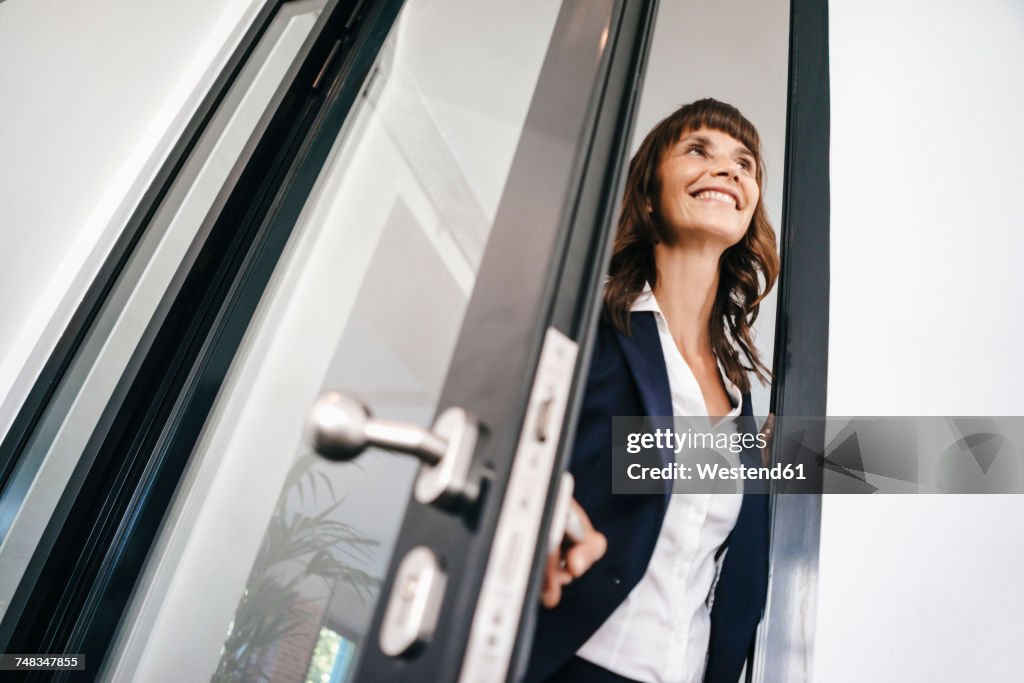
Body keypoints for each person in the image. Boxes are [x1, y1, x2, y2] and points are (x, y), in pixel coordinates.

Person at [523, 99, 780, 683]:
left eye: (745, 163)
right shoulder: (586, 334)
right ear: (647, 194)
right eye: (698, 150)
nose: (728, 170)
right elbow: (512, 455)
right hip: (572, 665)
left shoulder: (742, 402)